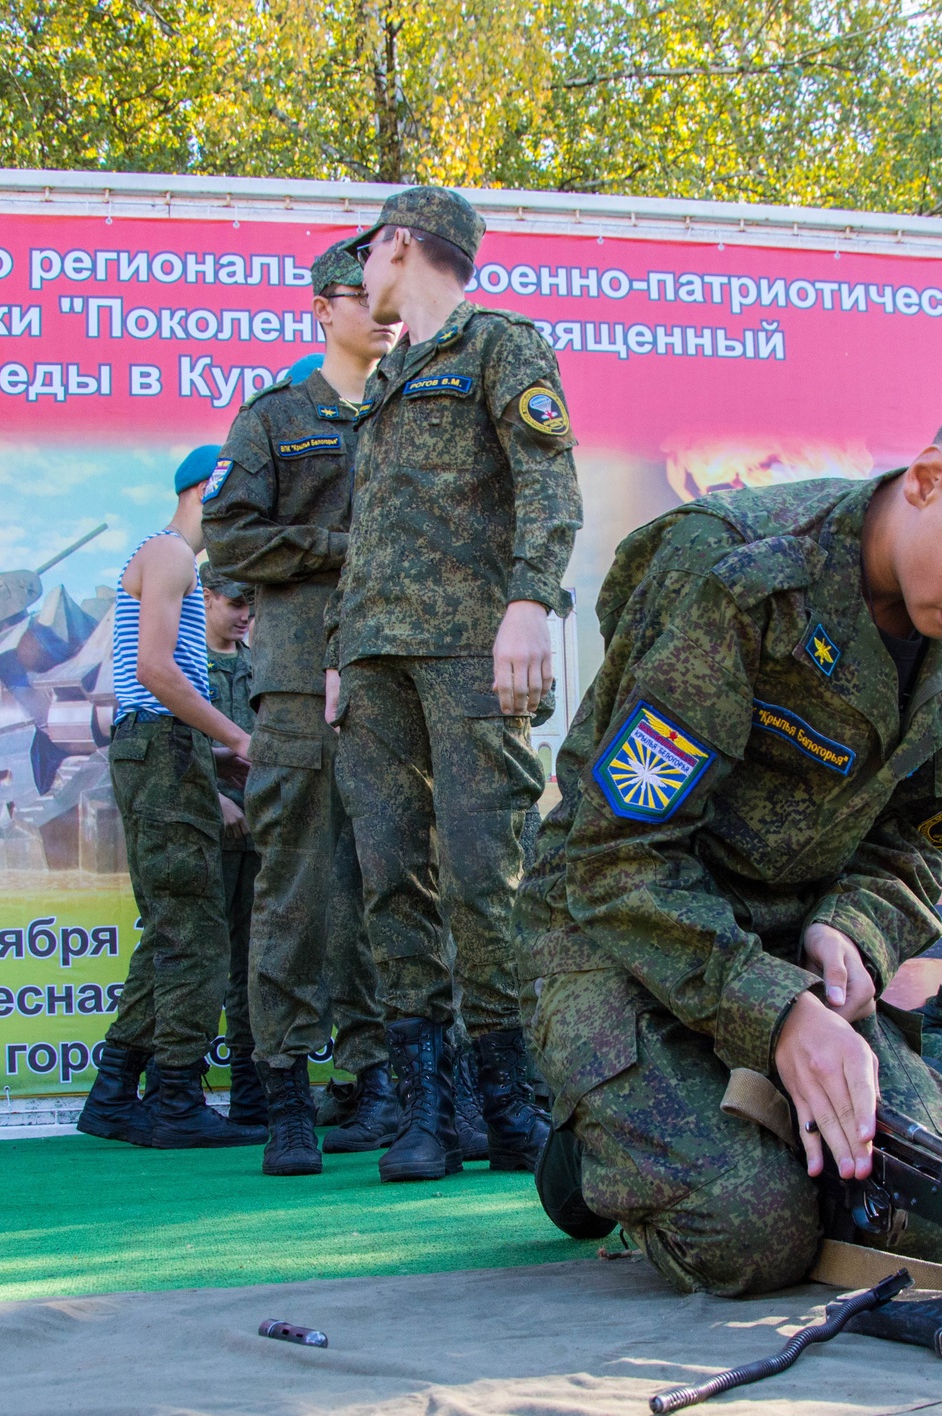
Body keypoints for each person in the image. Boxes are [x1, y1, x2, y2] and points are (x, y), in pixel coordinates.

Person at [516, 362, 942, 1295]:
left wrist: (850, 930)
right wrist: (774, 1014)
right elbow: (615, 860)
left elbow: (910, 848)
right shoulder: (733, 574)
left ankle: (699, 1104)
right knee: (749, 1235)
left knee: (923, 1211)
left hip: (795, 952)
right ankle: (584, 1153)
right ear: (928, 480)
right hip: (624, 934)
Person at [331, 186, 581, 1184]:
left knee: (489, 877)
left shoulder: (500, 345)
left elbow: (549, 479)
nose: (360, 278)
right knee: (393, 880)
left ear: (401, 246)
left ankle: (509, 1102)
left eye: (369, 257)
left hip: (474, 650)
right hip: (375, 664)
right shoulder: (386, 380)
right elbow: (370, 536)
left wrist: (530, 602)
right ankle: (427, 1114)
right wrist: (335, 656)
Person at [204, 242, 403, 1178]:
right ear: (322, 309)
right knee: (292, 891)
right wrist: (338, 545)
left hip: (396, 684)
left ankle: (375, 1082)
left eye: (387, 295)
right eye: (361, 296)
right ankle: (283, 1089)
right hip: (293, 687)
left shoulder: (418, 408)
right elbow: (231, 534)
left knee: (389, 887)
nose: (381, 310)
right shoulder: (277, 419)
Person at [77, 445, 263, 1150]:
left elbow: (149, 678)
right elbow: (155, 672)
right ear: (206, 492)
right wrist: (238, 740)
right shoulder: (173, 557)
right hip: (160, 746)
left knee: (170, 929)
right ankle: (177, 1101)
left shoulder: (168, 560)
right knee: (195, 932)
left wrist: (211, 748)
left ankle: (115, 1094)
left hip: (166, 747)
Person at [200, 563, 264, 1130]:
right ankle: (175, 1089)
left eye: (252, 603)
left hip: (260, 836)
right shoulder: (184, 665)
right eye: (235, 602)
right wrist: (214, 801)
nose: (245, 613)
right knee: (201, 961)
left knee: (252, 965)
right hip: (208, 832)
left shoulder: (254, 663)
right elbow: (176, 745)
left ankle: (250, 1095)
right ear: (208, 595)